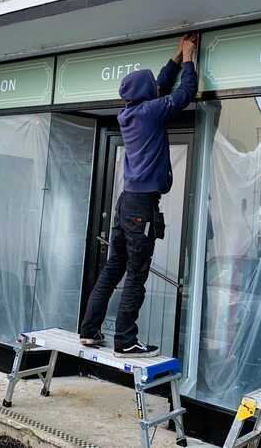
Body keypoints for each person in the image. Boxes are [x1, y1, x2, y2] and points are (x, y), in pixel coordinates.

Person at [79, 34, 199, 357]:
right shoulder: (150, 113)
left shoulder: (132, 112)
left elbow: (159, 86)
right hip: (141, 207)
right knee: (136, 272)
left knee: (113, 268)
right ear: (146, 95)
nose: (156, 90)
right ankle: (125, 340)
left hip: (125, 203)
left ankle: (89, 331)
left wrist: (175, 56)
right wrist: (189, 58)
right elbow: (185, 94)